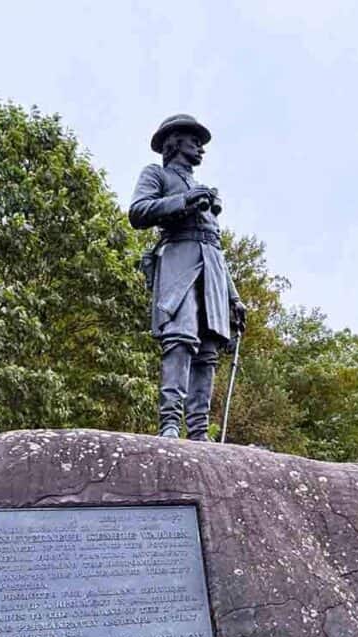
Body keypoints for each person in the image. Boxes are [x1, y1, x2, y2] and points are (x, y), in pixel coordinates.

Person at [129, 114, 246, 440]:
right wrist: (184, 201)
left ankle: (197, 432)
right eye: (195, 141)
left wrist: (233, 296)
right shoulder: (158, 174)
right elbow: (138, 211)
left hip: (212, 271)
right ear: (175, 141)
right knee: (179, 341)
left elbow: (215, 245)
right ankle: (169, 424)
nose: (201, 149)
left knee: (208, 352)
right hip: (179, 264)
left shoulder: (203, 188)